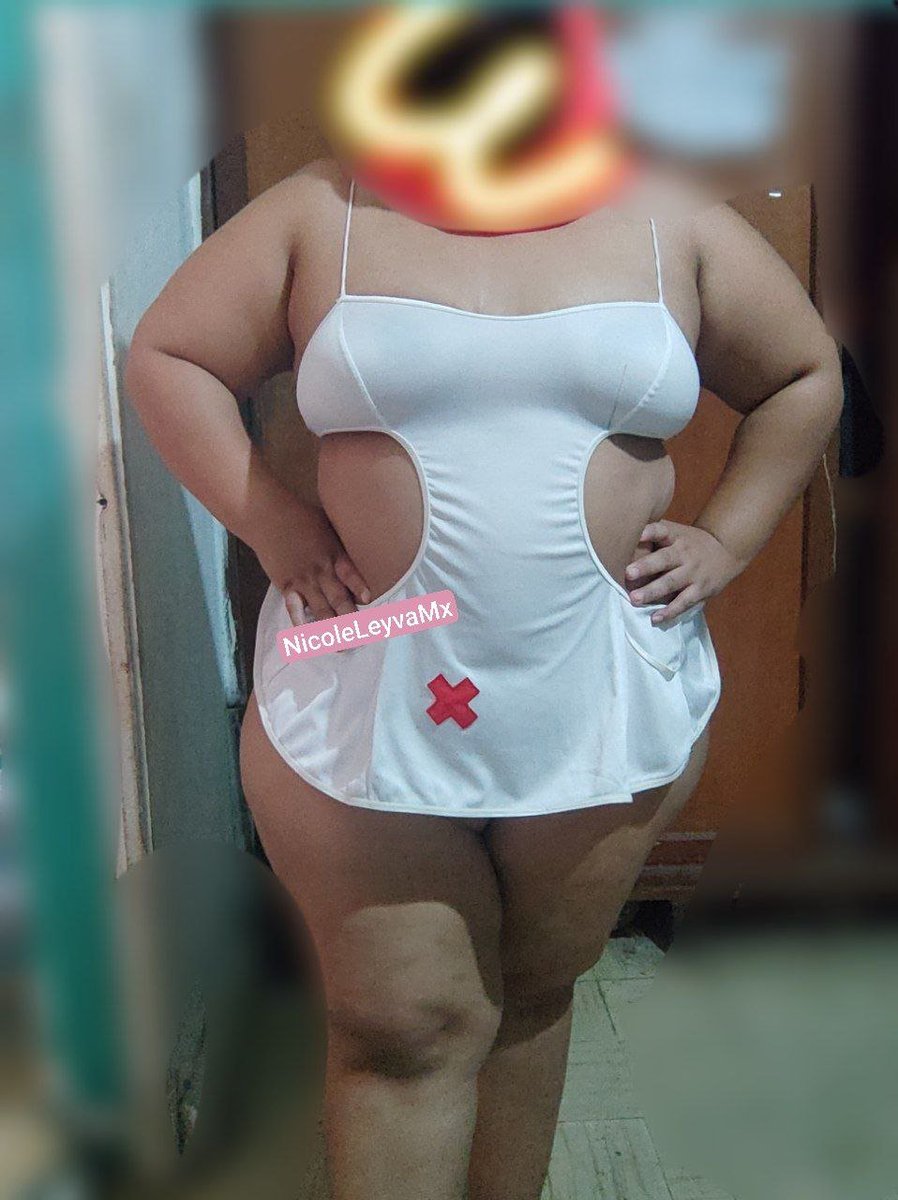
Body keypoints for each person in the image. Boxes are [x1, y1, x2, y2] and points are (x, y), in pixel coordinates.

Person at [125, 155, 842, 1200]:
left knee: (532, 997)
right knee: (402, 1027)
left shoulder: (671, 219)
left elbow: (801, 375)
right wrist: (274, 524)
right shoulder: (327, 208)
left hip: (597, 678)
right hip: (372, 660)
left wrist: (727, 539)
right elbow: (170, 355)